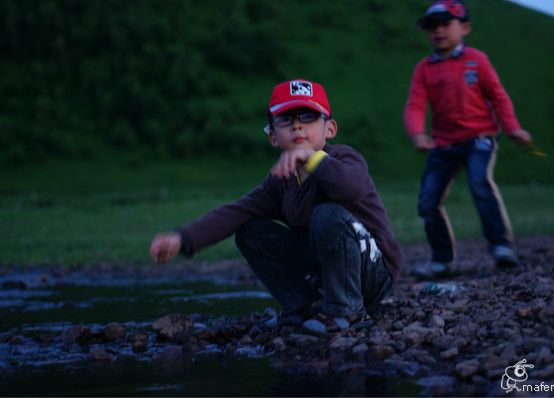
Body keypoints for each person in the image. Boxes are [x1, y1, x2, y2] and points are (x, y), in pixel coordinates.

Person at [150, 79, 403, 333]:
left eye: (308, 116)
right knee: (250, 230)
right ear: (272, 136)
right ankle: (303, 306)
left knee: (328, 215)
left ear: (330, 129)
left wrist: (313, 160)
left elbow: (353, 188)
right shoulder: (281, 180)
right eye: (285, 119)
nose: (297, 125)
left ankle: (348, 313)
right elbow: (237, 211)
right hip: (326, 275)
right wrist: (183, 238)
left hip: (373, 273)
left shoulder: (344, 159)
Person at [403, 0, 533, 280]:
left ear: (465, 28)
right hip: (444, 143)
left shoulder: (477, 60)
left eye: (445, 24)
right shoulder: (424, 69)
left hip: (479, 138)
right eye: (432, 27)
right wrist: (418, 134)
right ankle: (442, 260)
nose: (438, 31)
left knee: (479, 182)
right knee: (427, 201)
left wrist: (513, 129)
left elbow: (498, 96)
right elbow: (415, 105)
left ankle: (501, 245)